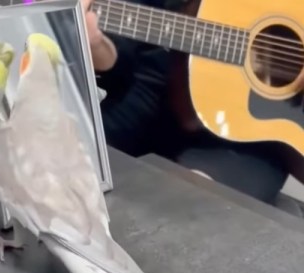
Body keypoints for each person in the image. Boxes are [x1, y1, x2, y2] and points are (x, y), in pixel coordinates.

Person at [81, 0, 292, 205]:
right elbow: (117, 59)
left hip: (251, 144)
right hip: (148, 98)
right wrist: (99, 47)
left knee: (189, 203)